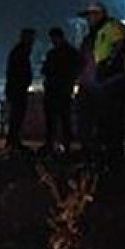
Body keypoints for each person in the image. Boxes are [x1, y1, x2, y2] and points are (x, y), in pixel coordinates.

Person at [78, 2, 125, 161]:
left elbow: (120, 46)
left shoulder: (112, 27)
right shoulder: (93, 35)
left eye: (91, 15)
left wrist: (108, 66)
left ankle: (113, 153)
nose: (89, 20)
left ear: (99, 14)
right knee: (96, 119)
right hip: (97, 83)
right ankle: (97, 151)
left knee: (111, 120)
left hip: (113, 81)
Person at [40, 26, 81, 154]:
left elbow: (45, 70)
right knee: (63, 119)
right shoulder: (70, 52)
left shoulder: (54, 54)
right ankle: (64, 144)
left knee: (55, 119)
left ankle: (52, 143)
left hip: (56, 89)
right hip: (62, 89)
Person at [4, 28, 35, 151]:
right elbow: (19, 72)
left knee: (16, 116)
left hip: (16, 89)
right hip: (18, 89)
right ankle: (13, 141)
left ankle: (13, 141)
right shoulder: (21, 52)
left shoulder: (19, 51)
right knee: (17, 116)